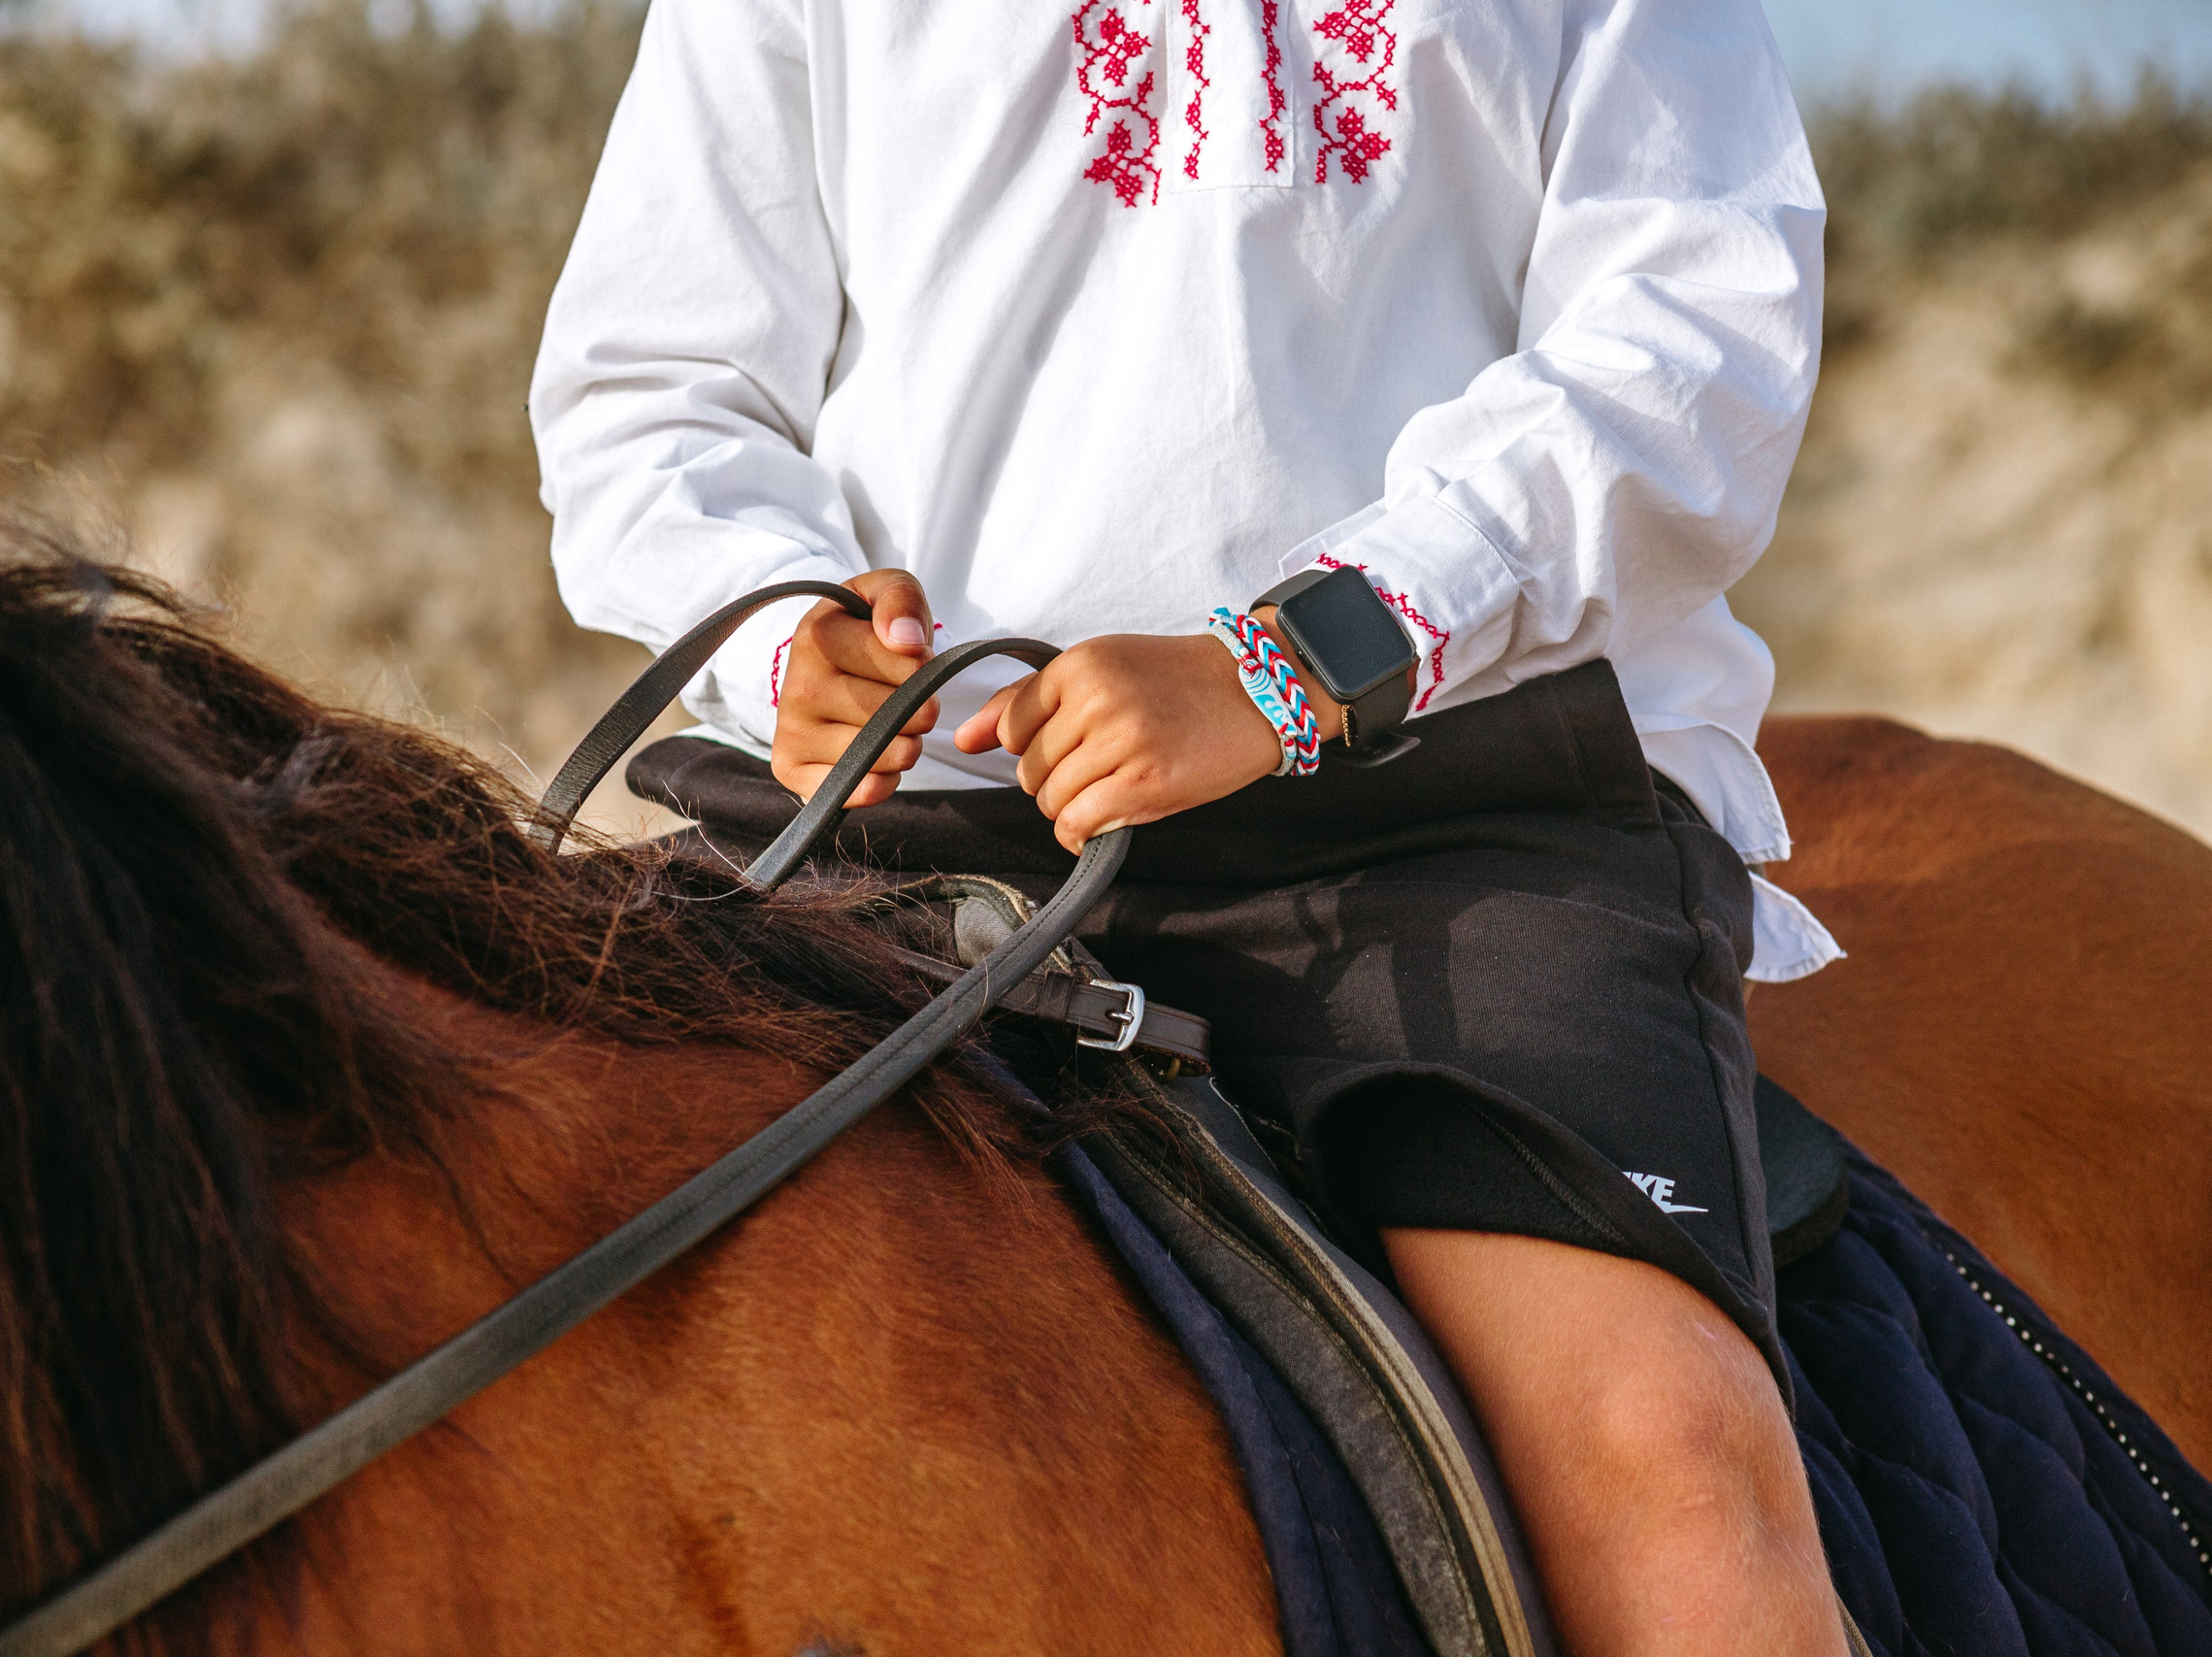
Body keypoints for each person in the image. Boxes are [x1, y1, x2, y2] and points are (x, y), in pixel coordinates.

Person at [531, 0, 1847, 1646]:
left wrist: (1306, 654)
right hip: (895, 820)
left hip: (1437, 820)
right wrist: (787, 632)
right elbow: (656, 385)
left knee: (1675, 1487)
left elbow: (1692, 338)